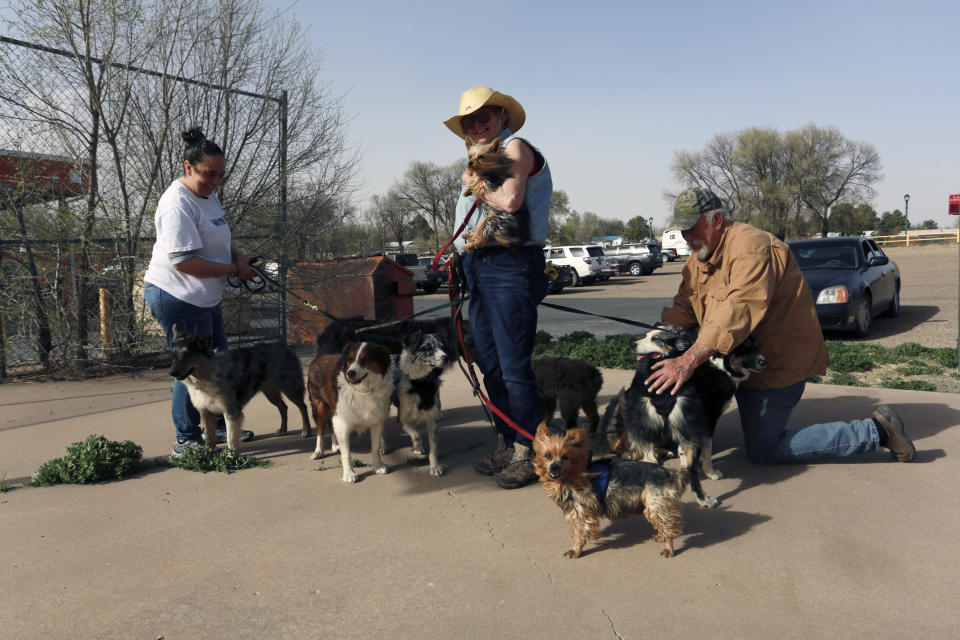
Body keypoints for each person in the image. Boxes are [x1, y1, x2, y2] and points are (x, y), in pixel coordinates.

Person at [645, 187, 916, 465]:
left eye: (691, 228)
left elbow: (737, 310)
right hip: (726, 359)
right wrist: (659, 339)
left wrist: (688, 360)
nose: (686, 237)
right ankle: (668, 438)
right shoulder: (699, 256)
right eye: (682, 230)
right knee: (674, 395)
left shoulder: (752, 248)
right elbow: (684, 306)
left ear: (716, 220)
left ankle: (877, 431)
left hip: (772, 364)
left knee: (765, 450)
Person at [444, 86, 553, 488]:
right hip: (476, 265)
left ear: (502, 117)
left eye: (484, 115)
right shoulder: (481, 161)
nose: (477, 123)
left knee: (513, 364)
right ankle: (509, 440)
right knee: (489, 361)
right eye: (469, 120)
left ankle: (529, 449)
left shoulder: (516, 148)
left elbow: (509, 201)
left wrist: (473, 181)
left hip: (510, 264)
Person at [144, 128, 256, 458]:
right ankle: (186, 439)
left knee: (218, 363)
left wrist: (237, 257)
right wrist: (235, 271)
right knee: (189, 368)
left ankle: (216, 422)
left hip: (205, 298)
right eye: (209, 174)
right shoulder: (176, 203)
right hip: (178, 296)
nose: (215, 181)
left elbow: (218, 237)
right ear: (188, 167)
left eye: (221, 175)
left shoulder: (207, 195)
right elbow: (185, 262)